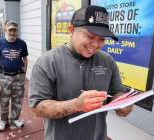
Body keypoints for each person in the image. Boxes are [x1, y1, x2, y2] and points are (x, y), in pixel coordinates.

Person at [29, 5, 133, 140]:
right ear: (71, 30)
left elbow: (117, 92)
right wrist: (76, 105)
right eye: (90, 36)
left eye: (102, 39)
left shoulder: (108, 61)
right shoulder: (47, 62)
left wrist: (122, 103)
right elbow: (37, 107)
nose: (95, 44)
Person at [0, 20, 28, 132]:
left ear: (17, 31)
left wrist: (24, 73)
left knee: (17, 100)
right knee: (4, 100)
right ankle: (3, 121)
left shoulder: (22, 43)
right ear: (5, 30)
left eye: (14, 30)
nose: (12, 32)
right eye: (10, 30)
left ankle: (15, 118)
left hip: (18, 77)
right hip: (3, 77)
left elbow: (25, 58)